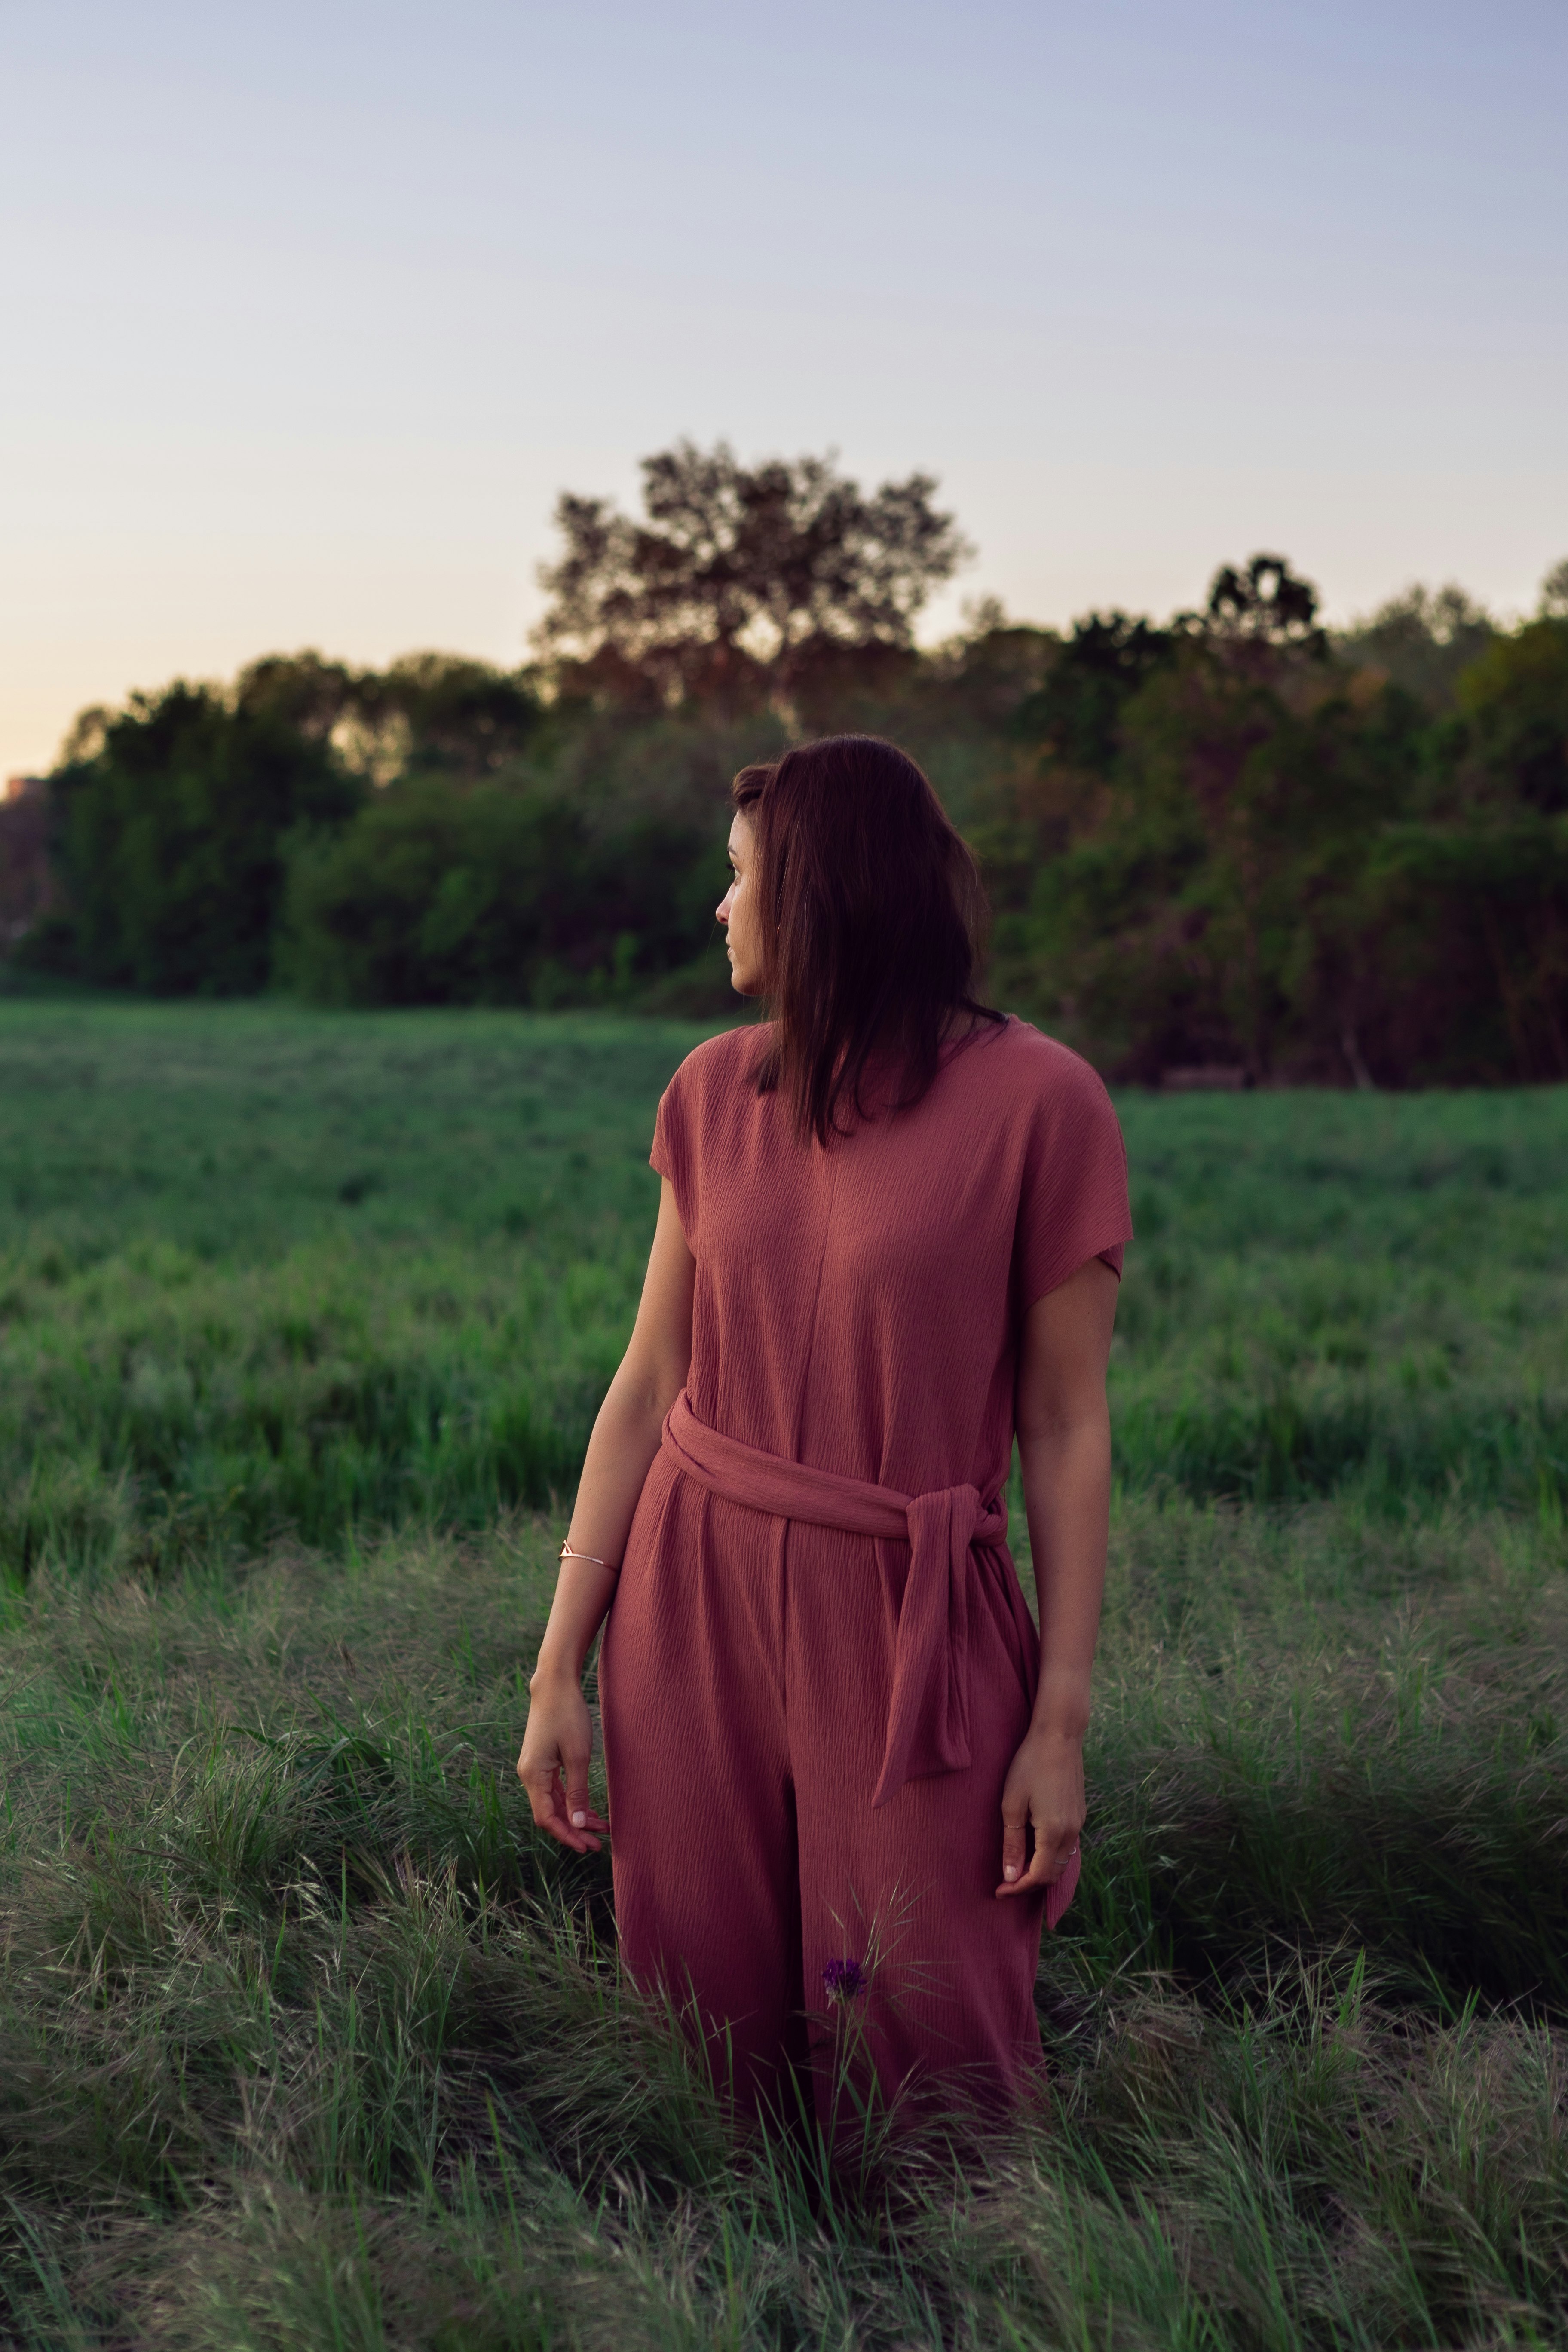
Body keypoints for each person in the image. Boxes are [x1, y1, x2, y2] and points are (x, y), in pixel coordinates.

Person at [518, 734, 1130, 2127]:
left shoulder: (1045, 1105)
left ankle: (957, 2294)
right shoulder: (710, 1090)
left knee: (928, 2010)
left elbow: (1066, 1423)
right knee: (701, 2008)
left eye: (738, 879)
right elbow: (647, 1378)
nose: (718, 910)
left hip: (908, 1610)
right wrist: (560, 1665)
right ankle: (736, 2283)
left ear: (814, 892)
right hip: (692, 1594)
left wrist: (1061, 1725)